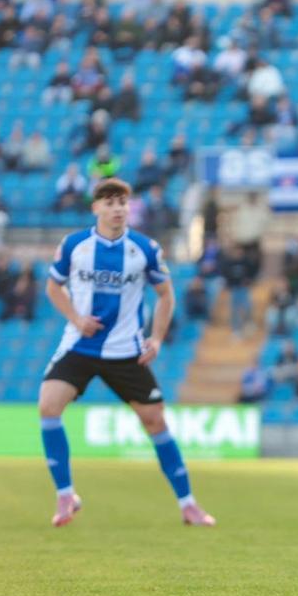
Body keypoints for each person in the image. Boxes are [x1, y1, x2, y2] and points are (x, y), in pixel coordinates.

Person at [39, 179, 215, 528]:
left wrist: (157, 338)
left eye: (123, 202)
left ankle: (188, 504)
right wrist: (76, 317)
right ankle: (65, 495)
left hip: (126, 352)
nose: (118, 208)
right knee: (48, 406)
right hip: (79, 345)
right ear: (96, 208)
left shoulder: (144, 248)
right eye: (109, 202)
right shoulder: (75, 245)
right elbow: (52, 287)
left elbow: (166, 295)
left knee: (155, 422)